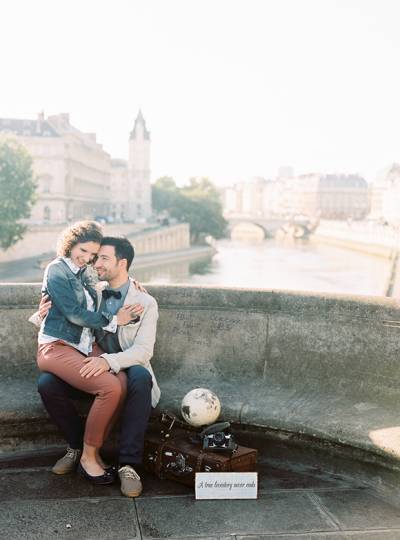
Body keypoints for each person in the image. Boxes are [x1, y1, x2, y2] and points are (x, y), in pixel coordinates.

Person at [32, 235, 160, 498]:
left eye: (102, 258)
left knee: (139, 377)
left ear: (122, 263)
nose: (94, 262)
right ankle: (78, 448)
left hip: (122, 363)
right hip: (87, 361)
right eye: (94, 256)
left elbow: (143, 351)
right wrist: (40, 314)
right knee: (46, 383)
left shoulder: (145, 302)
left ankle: (128, 464)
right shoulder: (92, 290)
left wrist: (107, 362)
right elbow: (67, 312)